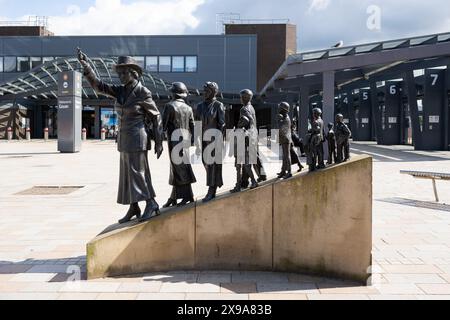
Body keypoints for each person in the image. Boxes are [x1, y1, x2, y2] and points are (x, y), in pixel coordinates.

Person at [77, 49, 163, 224]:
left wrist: (159, 141)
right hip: (124, 139)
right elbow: (98, 86)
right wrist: (87, 67)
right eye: (119, 73)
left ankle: (151, 202)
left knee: (138, 173)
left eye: (124, 73)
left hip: (138, 138)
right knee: (127, 175)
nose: (121, 76)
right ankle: (134, 206)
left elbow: (156, 116)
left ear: (133, 73)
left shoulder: (142, 92)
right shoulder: (120, 91)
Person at [162, 82, 197, 208]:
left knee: (179, 169)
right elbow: (193, 125)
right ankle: (174, 196)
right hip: (185, 141)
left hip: (174, 141)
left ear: (173, 93)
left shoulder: (169, 106)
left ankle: (186, 196)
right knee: (180, 167)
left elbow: (163, 125)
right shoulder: (188, 108)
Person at [195, 82, 226, 203]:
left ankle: (211, 189)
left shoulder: (218, 105)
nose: (204, 93)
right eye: (204, 90)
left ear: (213, 92)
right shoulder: (200, 106)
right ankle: (213, 183)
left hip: (214, 140)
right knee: (206, 163)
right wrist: (197, 142)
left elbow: (222, 124)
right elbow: (197, 124)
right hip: (204, 140)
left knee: (212, 164)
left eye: (207, 90)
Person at [230, 89, 259, 193]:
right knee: (245, 164)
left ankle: (240, 185)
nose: (240, 99)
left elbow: (247, 121)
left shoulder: (244, 109)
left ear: (245, 98)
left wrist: (238, 128)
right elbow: (251, 122)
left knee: (240, 165)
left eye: (241, 97)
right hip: (251, 138)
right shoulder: (252, 107)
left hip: (244, 139)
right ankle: (247, 182)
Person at [277, 102, 293, 180]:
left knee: (287, 156)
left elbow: (281, 129)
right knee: (284, 156)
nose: (278, 109)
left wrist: (279, 121)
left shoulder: (285, 119)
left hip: (286, 139)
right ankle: (283, 171)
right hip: (284, 139)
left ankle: (289, 172)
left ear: (283, 109)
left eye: (280, 108)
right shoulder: (284, 117)